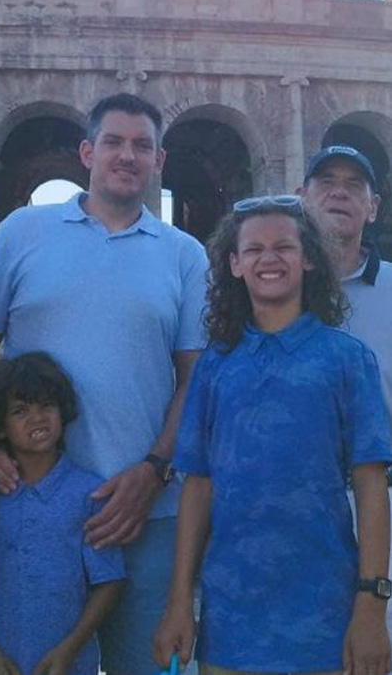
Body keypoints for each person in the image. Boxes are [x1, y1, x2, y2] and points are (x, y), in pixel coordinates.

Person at [0, 93, 208, 675]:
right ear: (87, 152)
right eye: (114, 142)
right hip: (26, 499)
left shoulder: (184, 254)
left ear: (159, 160)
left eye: (142, 145)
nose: (128, 155)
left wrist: (154, 469)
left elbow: (195, 376)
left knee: (140, 666)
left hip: (143, 506)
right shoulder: (23, 231)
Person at [153, 195, 392, 675]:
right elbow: (198, 485)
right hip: (229, 620)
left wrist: (372, 604)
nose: (269, 258)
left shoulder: (347, 360)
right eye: (254, 249)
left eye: (284, 246)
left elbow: (371, 486)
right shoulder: (214, 368)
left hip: (326, 616)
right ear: (235, 264)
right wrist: (179, 601)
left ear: (308, 259)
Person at [0, 352, 126, 675]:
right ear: (0, 427)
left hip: (67, 666)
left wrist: (69, 650)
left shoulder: (89, 494)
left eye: (46, 406)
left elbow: (109, 581)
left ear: (62, 411)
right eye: (20, 411)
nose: (37, 418)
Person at [299, 143, 392, 639]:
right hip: (292, 517)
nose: (339, 191)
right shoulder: (269, 292)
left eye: (355, 184)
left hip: (383, 511)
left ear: (373, 207)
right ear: (302, 197)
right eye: (327, 181)